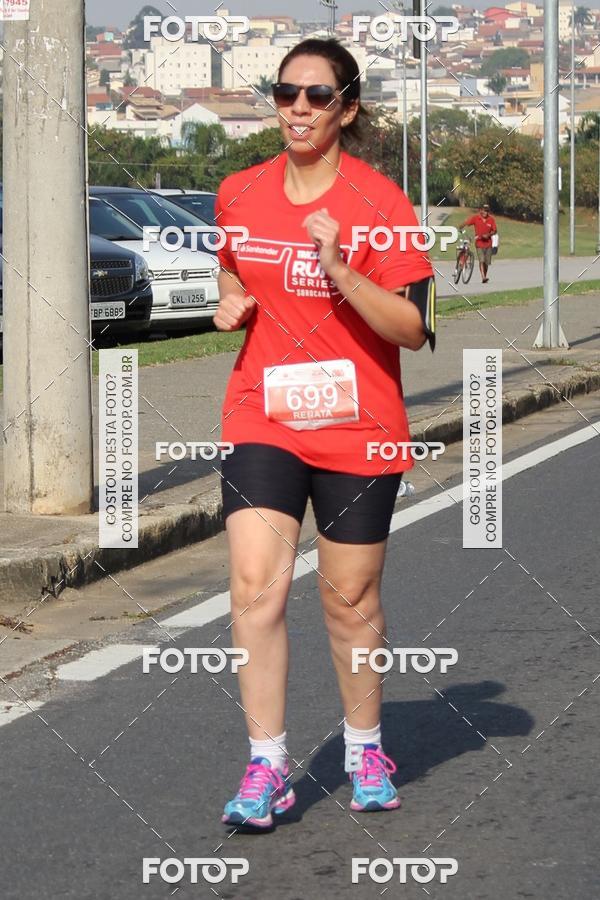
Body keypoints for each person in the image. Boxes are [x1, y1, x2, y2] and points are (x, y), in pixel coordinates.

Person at [213, 37, 436, 830]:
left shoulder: (383, 204)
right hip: (262, 415)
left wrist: (342, 271)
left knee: (349, 600)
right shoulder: (238, 191)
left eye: (316, 96)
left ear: (346, 107)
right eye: (285, 94)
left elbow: (412, 328)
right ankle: (267, 764)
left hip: (360, 427)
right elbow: (233, 264)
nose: (298, 109)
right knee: (255, 587)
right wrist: (229, 298)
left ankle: (365, 746)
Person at [460, 203, 497, 283]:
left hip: (488, 243)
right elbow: (467, 222)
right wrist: (460, 227)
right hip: (479, 243)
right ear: (480, 210)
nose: (485, 212)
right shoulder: (476, 218)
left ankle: (484, 276)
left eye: (487, 211)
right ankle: (483, 277)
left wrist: (488, 235)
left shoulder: (491, 219)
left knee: (486, 263)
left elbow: (495, 230)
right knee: (481, 260)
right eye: (484, 210)